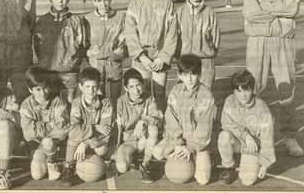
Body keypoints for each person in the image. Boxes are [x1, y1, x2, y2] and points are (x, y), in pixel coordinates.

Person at [242, 0, 303, 156]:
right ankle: (251, 135)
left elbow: (292, 9)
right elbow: (250, 11)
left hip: (282, 39)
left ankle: (289, 137)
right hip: (257, 40)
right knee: (252, 88)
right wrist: (277, 11)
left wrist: (264, 8)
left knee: (286, 88)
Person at [152, 54, 216, 185]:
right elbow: (171, 119)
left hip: (198, 142)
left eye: (193, 74)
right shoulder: (176, 91)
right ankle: (185, 159)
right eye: (186, 75)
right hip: (180, 139)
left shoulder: (206, 96)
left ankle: (204, 157)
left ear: (199, 75)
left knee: (202, 180)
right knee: (157, 152)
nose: (190, 79)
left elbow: (204, 128)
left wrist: (191, 147)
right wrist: (178, 144)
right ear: (180, 75)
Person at [124, 0, 177, 113]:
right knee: (142, 93)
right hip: (142, 58)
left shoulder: (167, 3)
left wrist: (163, 57)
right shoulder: (135, 4)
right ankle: (143, 128)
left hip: (160, 57)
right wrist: (142, 57)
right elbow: (130, 34)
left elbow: (172, 34)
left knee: (160, 93)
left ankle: (161, 125)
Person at [218, 69, 276, 185]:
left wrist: (265, 164)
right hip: (238, 142)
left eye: (246, 90)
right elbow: (226, 123)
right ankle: (229, 167)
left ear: (252, 89)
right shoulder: (230, 101)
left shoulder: (262, 108)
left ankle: (249, 161)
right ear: (234, 91)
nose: (243, 95)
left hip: (253, 147)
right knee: (224, 136)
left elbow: (267, 137)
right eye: (238, 91)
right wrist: (245, 135)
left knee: (247, 181)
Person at [34, 0, 86, 104]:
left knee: (70, 103)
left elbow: (82, 45)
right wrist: (46, 63)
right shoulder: (42, 21)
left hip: (69, 72)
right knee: (52, 103)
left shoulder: (76, 20)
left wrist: (72, 63)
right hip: (49, 72)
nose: (60, 1)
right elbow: (37, 46)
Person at [61, 67, 113, 185]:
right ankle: (68, 166)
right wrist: (94, 127)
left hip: (94, 142)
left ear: (99, 86)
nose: (91, 91)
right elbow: (73, 130)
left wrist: (85, 143)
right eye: (87, 87)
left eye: (94, 87)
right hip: (80, 138)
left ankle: (98, 161)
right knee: (73, 137)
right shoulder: (76, 103)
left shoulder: (106, 103)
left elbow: (106, 131)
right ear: (80, 87)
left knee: (102, 149)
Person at [20, 67, 70, 181]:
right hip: (38, 146)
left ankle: (52, 162)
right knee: (37, 176)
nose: (42, 93)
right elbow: (28, 134)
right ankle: (46, 158)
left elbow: (63, 129)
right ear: (30, 89)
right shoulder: (25, 106)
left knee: (48, 142)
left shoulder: (58, 101)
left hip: (57, 145)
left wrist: (38, 126)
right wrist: (51, 125)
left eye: (45, 88)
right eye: (38, 89)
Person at [115, 68, 163, 183]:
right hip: (129, 140)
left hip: (144, 139)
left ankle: (145, 165)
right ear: (126, 88)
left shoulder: (149, 99)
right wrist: (117, 149)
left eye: (138, 85)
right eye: (131, 87)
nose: (136, 90)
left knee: (153, 128)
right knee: (122, 167)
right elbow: (118, 128)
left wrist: (143, 121)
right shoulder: (121, 102)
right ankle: (131, 158)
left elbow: (158, 118)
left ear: (142, 84)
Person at [175, 0, 220, 90]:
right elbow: (174, 38)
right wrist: (179, 57)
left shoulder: (210, 12)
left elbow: (215, 40)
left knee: (205, 97)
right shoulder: (179, 13)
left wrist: (208, 52)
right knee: (185, 99)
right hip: (185, 63)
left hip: (205, 63)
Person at [85, 0, 126, 107]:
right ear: (94, 2)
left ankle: (115, 124)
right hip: (96, 64)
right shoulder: (88, 19)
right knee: (97, 99)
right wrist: (91, 56)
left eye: (106, 0)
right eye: (99, 1)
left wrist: (116, 54)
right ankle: (99, 124)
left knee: (115, 99)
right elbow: (84, 43)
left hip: (114, 63)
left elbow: (125, 39)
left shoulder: (120, 17)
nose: (103, 4)